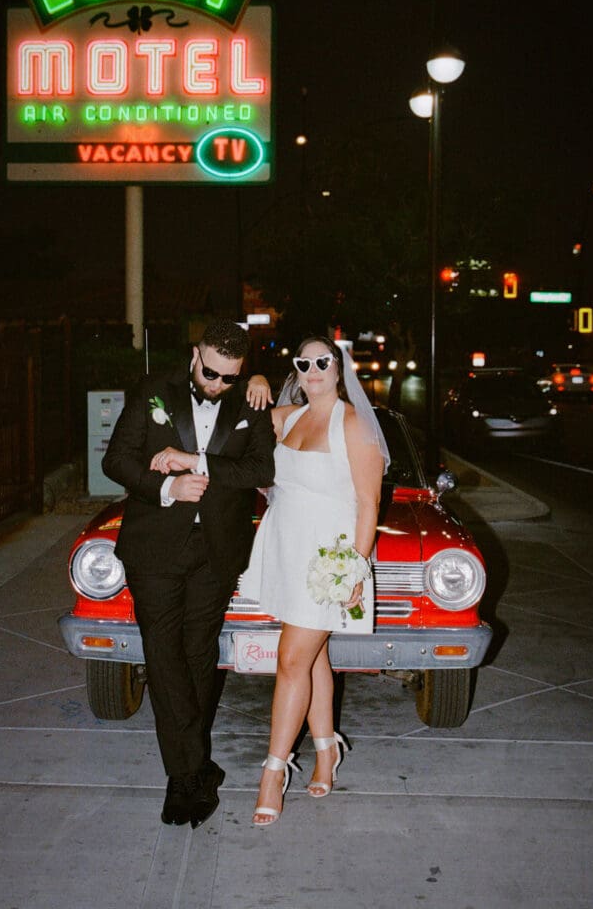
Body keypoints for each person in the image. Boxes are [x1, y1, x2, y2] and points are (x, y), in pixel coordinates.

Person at [102, 320, 275, 829]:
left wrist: (196, 463)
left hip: (218, 550)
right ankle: (185, 776)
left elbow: (260, 471)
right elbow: (118, 460)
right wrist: (166, 489)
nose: (218, 385)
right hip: (154, 545)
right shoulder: (155, 390)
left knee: (200, 652)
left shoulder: (250, 400)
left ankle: (192, 768)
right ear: (195, 353)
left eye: (230, 377)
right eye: (211, 373)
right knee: (162, 652)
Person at [240, 335, 389, 826]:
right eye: (304, 363)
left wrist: (355, 568)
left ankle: (273, 770)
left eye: (323, 361)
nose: (313, 369)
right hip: (287, 548)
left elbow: (369, 504)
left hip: (328, 560)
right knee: (312, 656)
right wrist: (255, 379)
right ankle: (326, 750)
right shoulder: (289, 417)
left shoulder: (354, 424)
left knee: (290, 658)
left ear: (339, 365)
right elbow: (237, 424)